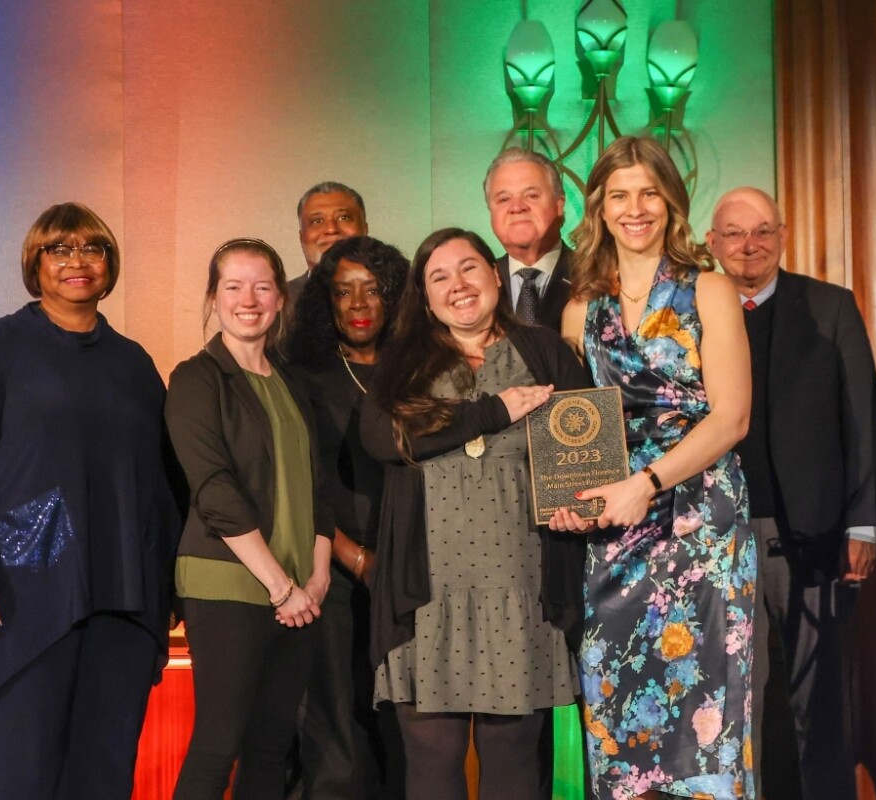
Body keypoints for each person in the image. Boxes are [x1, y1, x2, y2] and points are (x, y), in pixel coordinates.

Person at [0, 203, 179, 799]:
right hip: (24, 594)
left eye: (91, 249)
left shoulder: (134, 362)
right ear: (34, 263)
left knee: (104, 778)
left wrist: (168, 591)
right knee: (27, 778)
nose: (77, 262)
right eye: (59, 249)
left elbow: (167, 484)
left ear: (109, 264)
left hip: (122, 600)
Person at [552, 135, 757, 800]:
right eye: (619, 195)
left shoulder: (711, 289)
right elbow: (569, 428)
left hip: (699, 518)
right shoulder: (579, 309)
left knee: (709, 709)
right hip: (612, 527)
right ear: (599, 209)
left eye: (649, 193)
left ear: (670, 203)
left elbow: (731, 418)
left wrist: (649, 482)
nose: (635, 208)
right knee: (613, 699)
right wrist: (565, 496)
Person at [359, 228, 589, 800]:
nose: (457, 285)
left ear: (494, 274)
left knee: (514, 764)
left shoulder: (545, 351)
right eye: (439, 277)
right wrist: (492, 412)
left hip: (522, 586)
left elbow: (587, 450)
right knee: (432, 763)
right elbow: (385, 439)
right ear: (426, 295)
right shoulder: (405, 360)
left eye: (468, 269)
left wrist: (579, 508)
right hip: (429, 594)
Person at [707, 187, 876, 799]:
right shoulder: (690, 312)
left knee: (819, 694)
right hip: (714, 536)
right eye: (733, 233)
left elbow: (862, 415)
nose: (748, 245)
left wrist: (864, 522)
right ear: (711, 243)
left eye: (761, 231)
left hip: (810, 530)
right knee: (733, 697)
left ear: (783, 234)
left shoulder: (829, 306)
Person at [169, 238, 336, 800]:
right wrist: (280, 586)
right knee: (219, 743)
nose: (249, 299)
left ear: (281, 299)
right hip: (230, 585)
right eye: (233, 286)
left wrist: (316, 578)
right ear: (213, 297)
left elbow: (319, 485)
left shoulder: (291, 382)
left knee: (270, 747)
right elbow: (215, 491)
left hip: (298, 593)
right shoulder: (196, 378)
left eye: (263, 286)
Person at [283, 234, 413, 799]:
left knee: (407, 735)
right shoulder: (301, 376)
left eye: (373, 289)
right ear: (324, 302)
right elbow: (297, 486)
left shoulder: (423, 368)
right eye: (343, 292)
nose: (359, 304)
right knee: (338, 734)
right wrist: (355, 558)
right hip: (330, 570)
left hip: (411, 573)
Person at [486, 147, 577, 329]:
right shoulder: (481, 283)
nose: (517, 207)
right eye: (504, 199)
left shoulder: (595, 275)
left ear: (559, 205)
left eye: (531, 196)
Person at [286, 181, 371, 304]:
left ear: (365, 229)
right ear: (301, 237)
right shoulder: (279, 300)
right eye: (317, 221)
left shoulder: (404, 293)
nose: (331, 229)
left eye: (344, 218)